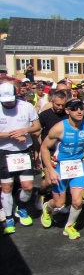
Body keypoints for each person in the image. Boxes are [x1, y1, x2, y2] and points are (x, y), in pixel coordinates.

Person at [40, 99, 84, 239]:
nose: (79, 111)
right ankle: (47, 208)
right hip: (60, 165)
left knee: (77, 201)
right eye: (75, 108)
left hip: (78, 165)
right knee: (59, 203)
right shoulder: (59, 128)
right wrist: (50, 170)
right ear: (67, 111)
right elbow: (44, 148)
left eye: (81, 108)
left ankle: (69, 226)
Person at [0, 83, 40, 234]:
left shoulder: (26, 106)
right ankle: (9, 218)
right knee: (7, 187)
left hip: (23, 151)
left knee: (28, 186)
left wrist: (25, 130)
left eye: (11, 100)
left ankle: (21, 207)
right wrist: (10, 135)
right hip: (4, 152)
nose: (9, 103)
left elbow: (37, 126)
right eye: (5, 101)